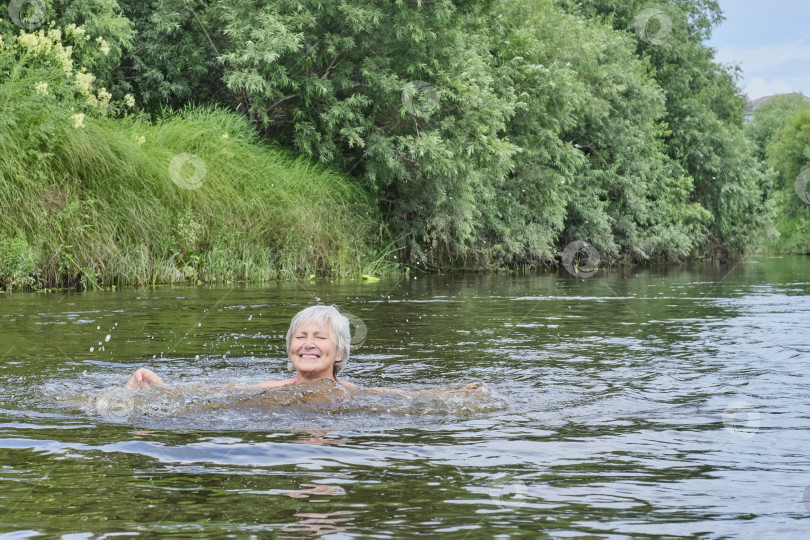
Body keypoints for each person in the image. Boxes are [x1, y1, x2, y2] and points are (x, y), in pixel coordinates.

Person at [125, 304, 358, 390]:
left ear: (339, 352)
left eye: (319, 337)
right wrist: (161, 389)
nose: (307, 344)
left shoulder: (354, 396)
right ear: (290, 348)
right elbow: (208, 396)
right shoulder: (269, 389)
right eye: (301, 337)